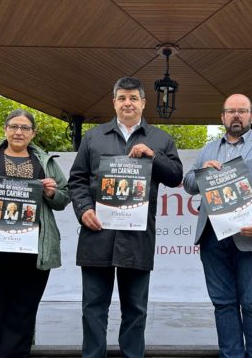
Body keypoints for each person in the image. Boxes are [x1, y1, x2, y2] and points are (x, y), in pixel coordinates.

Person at [68, 77, 183, 358]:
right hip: (97, 236)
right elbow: (77, 181)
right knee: (93, 308)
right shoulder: (93, 137)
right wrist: (84, 210)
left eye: (133, 98)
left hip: (137, 238)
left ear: (143, 103)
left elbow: (176, 176)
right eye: (122, 98)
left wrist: (152, 156)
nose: (127, 103)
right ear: (114, 103)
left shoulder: (161, 139)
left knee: (135, 309)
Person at [0, 109, 71, 357]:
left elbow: (64, 196)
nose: (19, 132)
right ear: (5, 129)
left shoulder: (45, 161)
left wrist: (52, 193)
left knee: (21, 321)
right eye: (14, 126)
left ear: (33, 133)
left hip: (30, 254)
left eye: (25, 128)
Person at [183, 94, 252, 357]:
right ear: (223, 117)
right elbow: (188, 184)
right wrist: (200, 171)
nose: (236, 115)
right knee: (223, 304)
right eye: (231, 111)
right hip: (213, 238)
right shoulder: (208, 149)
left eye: (242, 111)